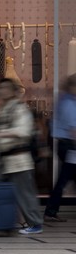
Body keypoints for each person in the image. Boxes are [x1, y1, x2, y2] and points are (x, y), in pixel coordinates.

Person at [0, 78, 43, 235]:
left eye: (4, 88)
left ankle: (35, 223)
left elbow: (23, 132)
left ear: (12, 91)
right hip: (4, 159)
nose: (0, 91)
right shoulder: (4, 108)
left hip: (18, 159)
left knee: (24, 193)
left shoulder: (19, 109)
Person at [44, 74, 76, 222]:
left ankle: (51, 210)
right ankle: (51, 210)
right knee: (63, 179)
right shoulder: (70, 103)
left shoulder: (62, 100)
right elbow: (73, 129)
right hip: (70, 146)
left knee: (66, 177)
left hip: (63, 144)